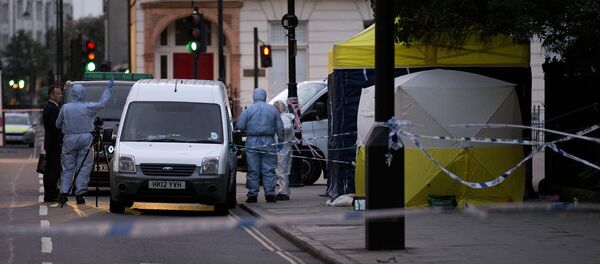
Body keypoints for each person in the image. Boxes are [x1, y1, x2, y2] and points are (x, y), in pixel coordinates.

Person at [56, 79, 113, 206]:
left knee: (67, 168)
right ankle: (80, 194)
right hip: (85, 138)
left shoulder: (65, 108)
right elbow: (102, 103)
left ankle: (64, 193)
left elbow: (57, 124)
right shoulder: (88, 107)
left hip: (69, 139)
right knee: (84, 167)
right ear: (82, 94)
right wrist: (108, 90)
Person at [237, 88, 284, 203]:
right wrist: (281, 141)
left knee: (253, 170)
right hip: (269, 141)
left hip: (252, 141)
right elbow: (280, 128)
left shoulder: (248, 110)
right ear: (265, 96)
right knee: (269, 169)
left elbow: (241, 126)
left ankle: (252, 195)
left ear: (254, 97)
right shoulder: (273, 110)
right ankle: (270, 194)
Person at [42, 85, 64, 203]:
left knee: (49, 169)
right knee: (53, 170)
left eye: (60, 93)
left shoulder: (48, 106)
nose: (60, 95)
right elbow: (55, 128)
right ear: (51, 95)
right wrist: (61, 141)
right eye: (58, 93)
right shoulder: (54, 109)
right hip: (54, 144)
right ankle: (51, 195)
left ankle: (49, 194)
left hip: (50, 143)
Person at [273, 100, 295, 201]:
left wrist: (278, 131)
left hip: (283, 147)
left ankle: (283, 192)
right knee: (284, 171)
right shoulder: (286, 117)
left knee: (281, 170)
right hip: (286, 146)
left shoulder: (284, 118)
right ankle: (285, 191)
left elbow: (286, 128)